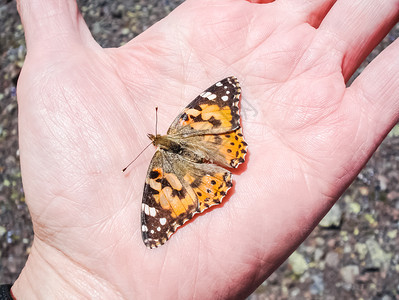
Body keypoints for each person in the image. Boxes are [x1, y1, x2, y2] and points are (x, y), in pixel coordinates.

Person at [5, 0, 399, 298]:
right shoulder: (180, 124)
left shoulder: (156, 172)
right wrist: (71, 275)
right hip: (211, 144)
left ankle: (214, 180)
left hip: (196, 173)